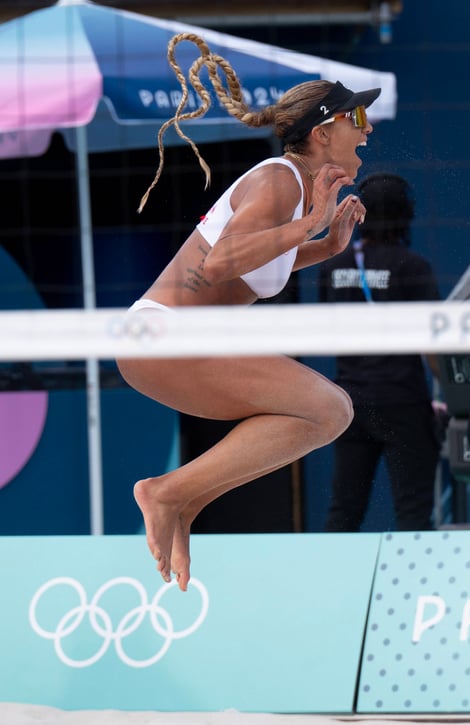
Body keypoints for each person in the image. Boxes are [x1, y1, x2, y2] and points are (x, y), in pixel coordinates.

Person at [119, 32, 376, 591]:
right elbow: (221, 264)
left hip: (165, 344)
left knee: (318, 417)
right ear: (324, 130)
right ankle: (164, 492)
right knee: (329, 409)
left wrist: (322, 246)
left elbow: (256, 259)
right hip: (163, 337)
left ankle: (181, 502)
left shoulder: (293, 194)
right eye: (358, 115)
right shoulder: (279, 181)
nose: (368, 127)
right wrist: (309, 226)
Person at [317, 172, 444, 532]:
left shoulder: (332, 266)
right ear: (406, 214)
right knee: (413, 511)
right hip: (403, 402)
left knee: (343, 509)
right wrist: (451, 395)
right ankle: (417, 585)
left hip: (351, 402)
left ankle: (331, 586)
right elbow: (432, 341)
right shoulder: (413, 266)